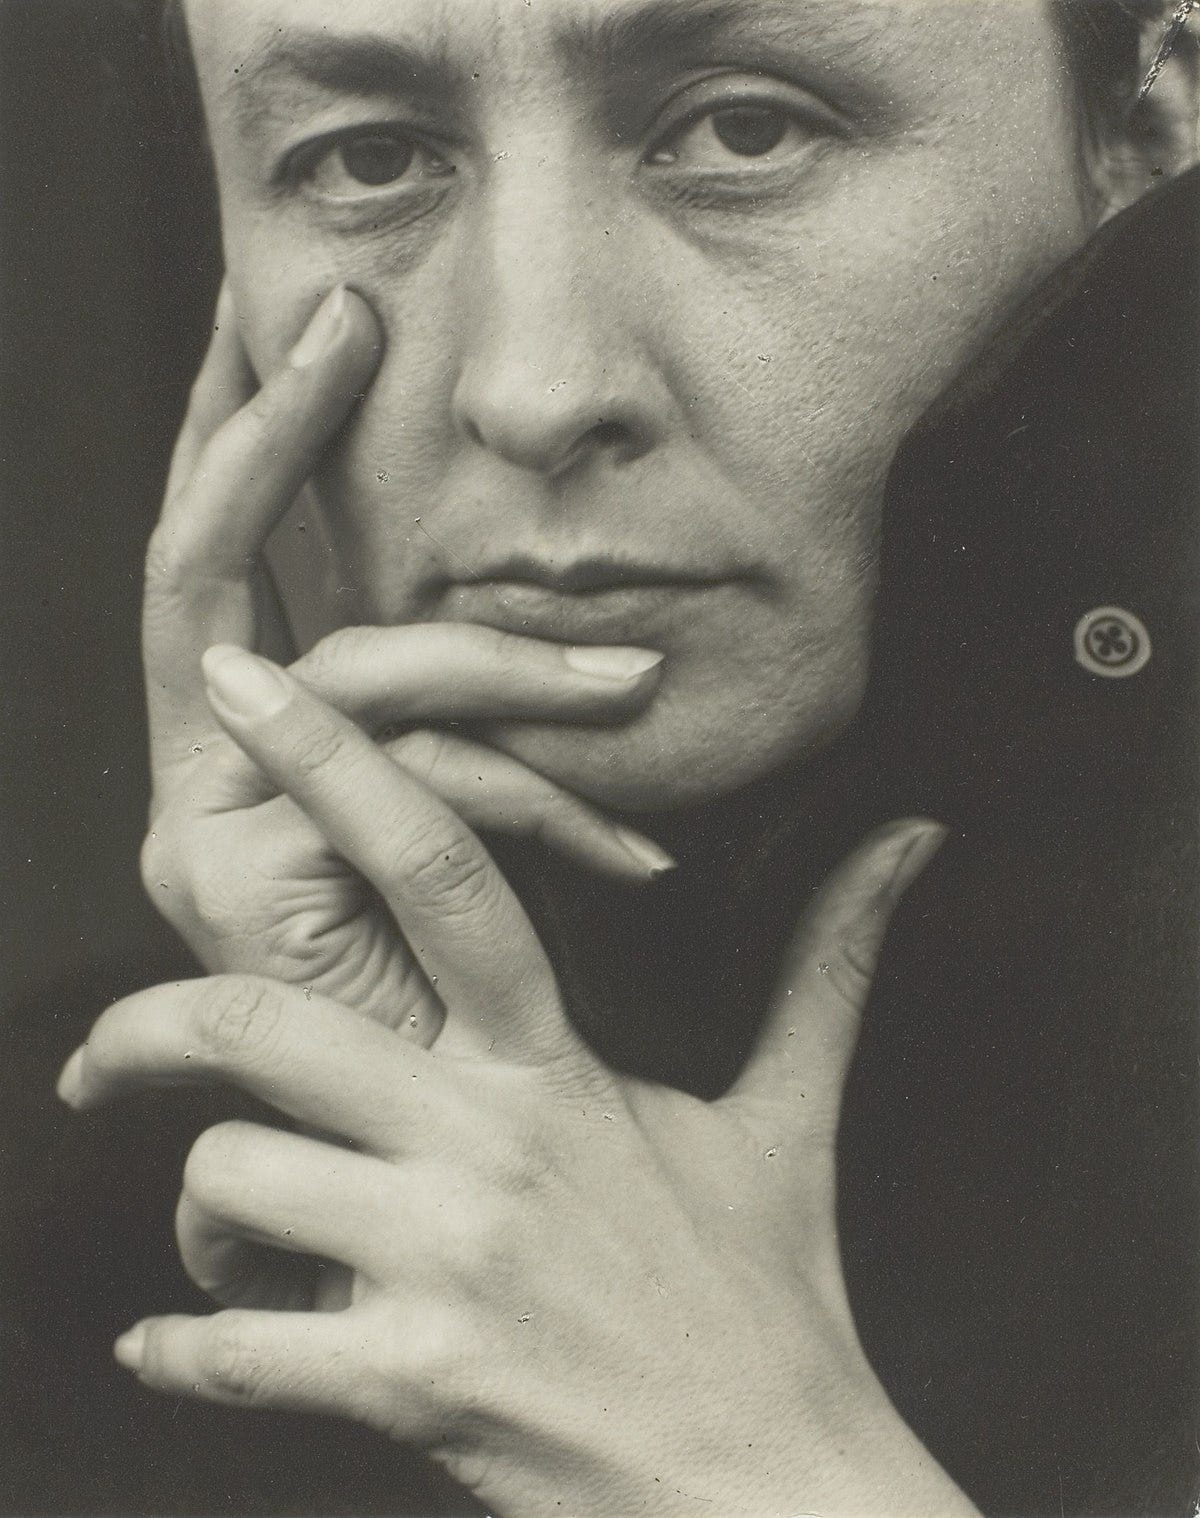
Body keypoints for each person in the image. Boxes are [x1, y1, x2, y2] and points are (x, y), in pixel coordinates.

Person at [47, 0, 1198, 1513]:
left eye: (743, 129)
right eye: (367, 159)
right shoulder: (73, 1234)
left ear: (1154, 127)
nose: (533, 391)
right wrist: (417, 1090)